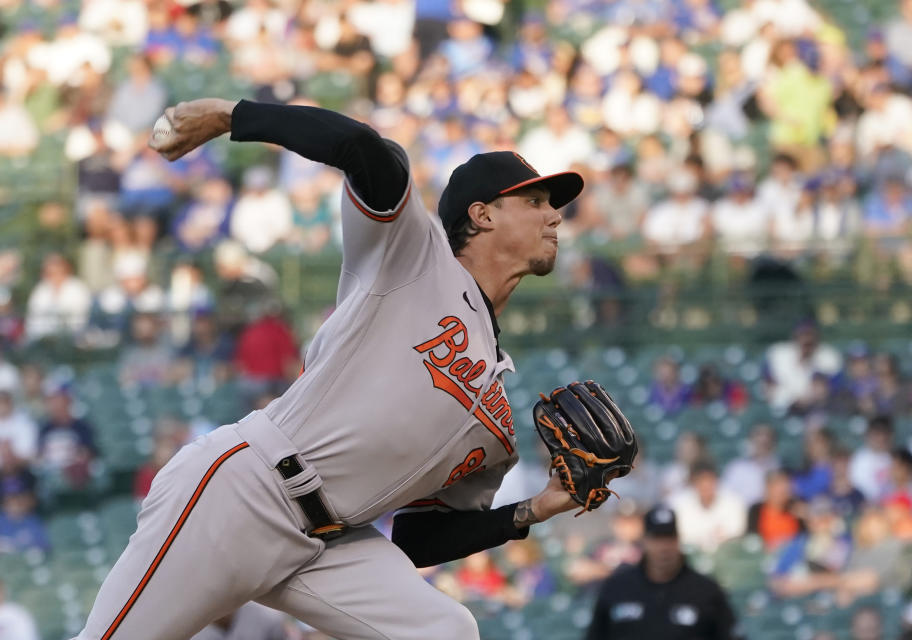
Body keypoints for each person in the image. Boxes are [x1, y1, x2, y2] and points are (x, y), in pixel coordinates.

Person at [75, 96, 587, 640]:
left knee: (447, 631)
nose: (555, 214)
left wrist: (533, 509)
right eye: (534, 201)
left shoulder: (497, 407)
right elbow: (364, 149)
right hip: (251, 490)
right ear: (482, 214)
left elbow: (419, 539)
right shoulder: (415, 257)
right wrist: (230, 115)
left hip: (331, 543)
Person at [584, 505, 742, 640]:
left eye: (669, 538)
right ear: (644, 541)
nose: (664, 547)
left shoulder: (706, 591)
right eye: (657, 538)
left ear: (678, 540)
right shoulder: (617, 587)